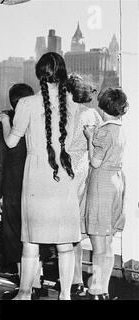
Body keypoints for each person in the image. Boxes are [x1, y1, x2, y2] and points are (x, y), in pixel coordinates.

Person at [0, 52, 81, 300]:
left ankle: (24, 294)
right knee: (65, 244)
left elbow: (12, 143)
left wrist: (4, 122)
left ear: (39, 74)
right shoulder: (73, 104)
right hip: (63, 174)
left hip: (36, 175)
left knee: (31, 242)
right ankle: (64, 295)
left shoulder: (26, 104)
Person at [0, 84, 48, 300]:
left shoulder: (9, 124)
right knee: (36, 234)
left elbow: (6, 152)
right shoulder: (41, 121)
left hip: (13, 187)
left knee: (15, 235)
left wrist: (3, 122)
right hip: (38, 184)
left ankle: (24, 285)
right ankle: (37, 283)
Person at [83, 88, 128, 300]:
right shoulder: (121, 128)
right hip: (117, 183)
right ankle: (104, 290)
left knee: (98, 244)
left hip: (102, 184)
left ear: (103, 107)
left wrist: (90, 136)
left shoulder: (103, 130)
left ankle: (95, 290)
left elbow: (95, 161)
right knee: (108, 242)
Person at [65, 74, 102, 299]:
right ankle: (80, 280)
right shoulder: (93, 115)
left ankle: (73, 278)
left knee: (69, 230)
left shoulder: (65, 115)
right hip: (86, 170)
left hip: (67, 170)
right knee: (78, 229)